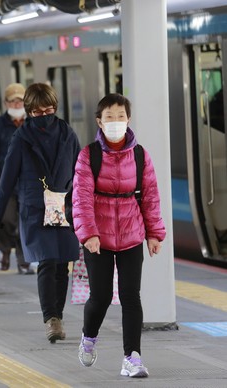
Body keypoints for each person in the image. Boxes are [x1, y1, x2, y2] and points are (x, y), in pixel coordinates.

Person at [73, 93, 165, 378]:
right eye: (109, 117)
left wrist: (154, 233)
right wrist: (88, 233)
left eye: (121, 116)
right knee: (99, 297)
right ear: (99, 122)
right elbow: (82, 197)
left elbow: (150, 196)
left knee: (130, 296)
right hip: (97, 236)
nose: (116, 122)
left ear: (128, 119)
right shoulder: (89, 154)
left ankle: (132, 358)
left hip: (131, 234)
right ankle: (89, 338)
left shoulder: (140, 155)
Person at [0, 83, 80, 344]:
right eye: (38, 111)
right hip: (35, 207)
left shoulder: (67, 133)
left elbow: (80, 172)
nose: (44, 115)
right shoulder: (21, 138)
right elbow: (7, 178)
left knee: (63, 262)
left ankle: (58, 316)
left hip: (64, 205)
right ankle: (50, 319)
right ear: (29, 111)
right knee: (46, 261)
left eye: (49, 109)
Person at [0, 83, 36, 274]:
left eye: (20, 100)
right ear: (6, 103)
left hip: (29, 183)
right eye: (13, 101)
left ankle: (23, 261)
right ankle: (4, 251)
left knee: (26, 222)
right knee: (7, 220)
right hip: (5, 183)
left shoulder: (34, 123)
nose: (17, 104)